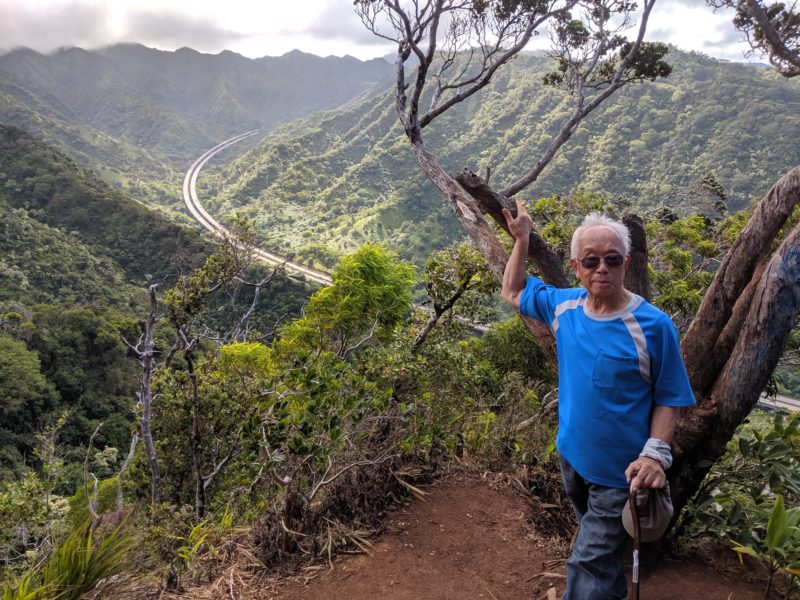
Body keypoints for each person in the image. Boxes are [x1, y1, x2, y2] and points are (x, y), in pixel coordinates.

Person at [500, 202, 695, 600]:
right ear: (576, 266)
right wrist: (522, 239)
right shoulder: (563, 307)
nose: (601, 268)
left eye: (612, 259)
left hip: (620, 478)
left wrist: (655, 455)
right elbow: (514, 290)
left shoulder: (653, 326)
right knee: (602, 561)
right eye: (591, 260)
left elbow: (670, 397)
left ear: (626, 263)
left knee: (586, 565)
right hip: (572, 458)